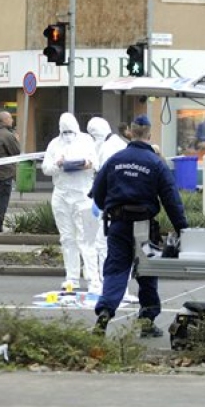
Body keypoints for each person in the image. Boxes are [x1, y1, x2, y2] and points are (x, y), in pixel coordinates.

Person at [91, 115, 188, 337]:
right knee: (147, 271)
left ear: (130, 133)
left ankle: (105, 312)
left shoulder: (115, 160)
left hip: (118, 226)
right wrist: (183, 229)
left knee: (115, 268)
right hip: (144, 228)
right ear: (149, 135)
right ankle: (146, 320)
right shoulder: (155, 163)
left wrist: (108, 206)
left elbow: (97, 192)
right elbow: (171, 199)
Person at [41, 112, 99, 291]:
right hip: (61, 194)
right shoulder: (54, 144)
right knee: (67, 239)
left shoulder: (86, 141)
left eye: (70, 131)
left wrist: (85, 163)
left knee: (86, 239)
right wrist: (58, 164)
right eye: (64, 132)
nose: (67, 135)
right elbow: (45, 168)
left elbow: (96, 163)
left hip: (83, 195)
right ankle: (72, 278)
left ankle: (93, 280)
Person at [85, 117, 127, 294]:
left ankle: (107, 283)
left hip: (112, 203)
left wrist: (97, 198)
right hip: (123, 201)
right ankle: (117, 285)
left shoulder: (107, 148)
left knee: (103, 244)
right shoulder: (118, 143)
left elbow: (103, 177)